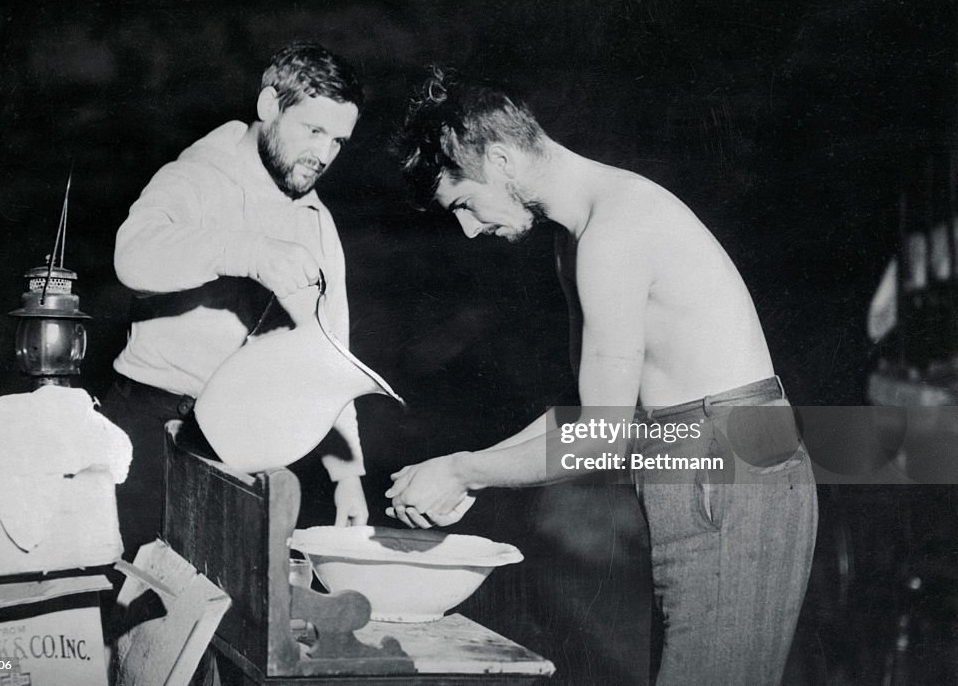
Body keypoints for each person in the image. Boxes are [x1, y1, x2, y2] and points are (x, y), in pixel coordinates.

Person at [387, 68, 818, 685]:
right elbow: (585, 411)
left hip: (725, 465)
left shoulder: (613, 235)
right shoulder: (580, 236)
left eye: (463, 203)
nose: (468, 228)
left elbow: (599, 440)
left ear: (502, 159)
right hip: (698, 461)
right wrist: (469, 469)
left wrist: (463, 469)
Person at [101, 43, 369, 559]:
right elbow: (131, 259)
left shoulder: (316, 221)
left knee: (220, 619)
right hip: (148, 427)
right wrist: (243, 250)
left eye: (338, 140)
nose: (324, 154)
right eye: (313, 131)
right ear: (270, 104)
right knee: (120, 604)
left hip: (239, 446)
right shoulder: (196, 175)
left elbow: (332, 355)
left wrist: (347, 473)